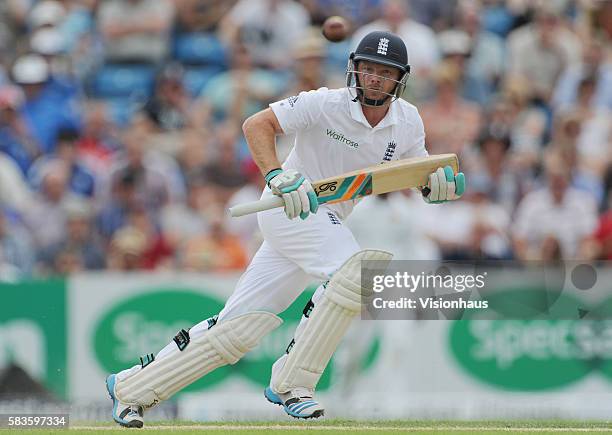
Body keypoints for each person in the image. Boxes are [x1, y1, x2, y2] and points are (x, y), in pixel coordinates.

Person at [104, 31, 465, 428]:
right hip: (291, 206)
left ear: (401, 78)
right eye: (368, 69)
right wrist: (276, 175)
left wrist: (436, 187)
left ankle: (130, 389)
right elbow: (257, 124)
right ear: (355, 70)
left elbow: (415, 173)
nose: (375, 78)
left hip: (326, 218)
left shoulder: (407, 121)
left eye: (385, 72)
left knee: (236, 330)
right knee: (354, 272)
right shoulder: (324, 103)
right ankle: (293, 385)